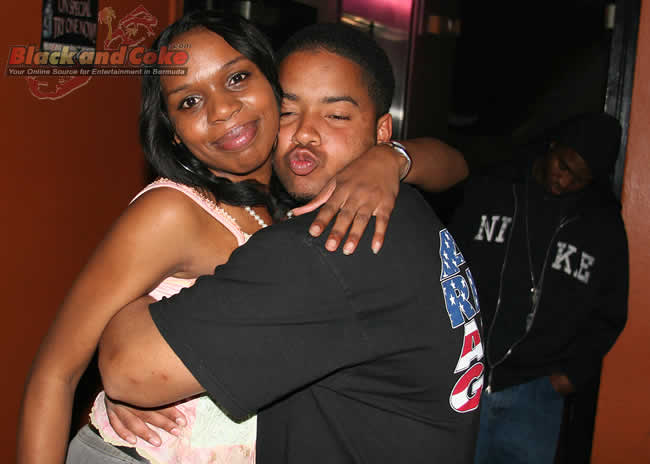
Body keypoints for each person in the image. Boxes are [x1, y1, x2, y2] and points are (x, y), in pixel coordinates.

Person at [16, 11, 469, 464]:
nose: (221, 109)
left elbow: (457, 166)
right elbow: (55, 373)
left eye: (236, 78)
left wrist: (393, 158)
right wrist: (120, 386)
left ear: (271, 87)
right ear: (174, 134)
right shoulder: (172, 211)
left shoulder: (292, 201)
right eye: (189, 102)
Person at [446, 112, 628, 464]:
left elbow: (611, 311)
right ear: (553, 146)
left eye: (580, 179)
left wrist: (572, 375)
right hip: (463, 377)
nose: (565, 180)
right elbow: (447, 266)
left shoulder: (602, 225)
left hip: (535, 392)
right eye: (563, 166)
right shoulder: (494, 189)